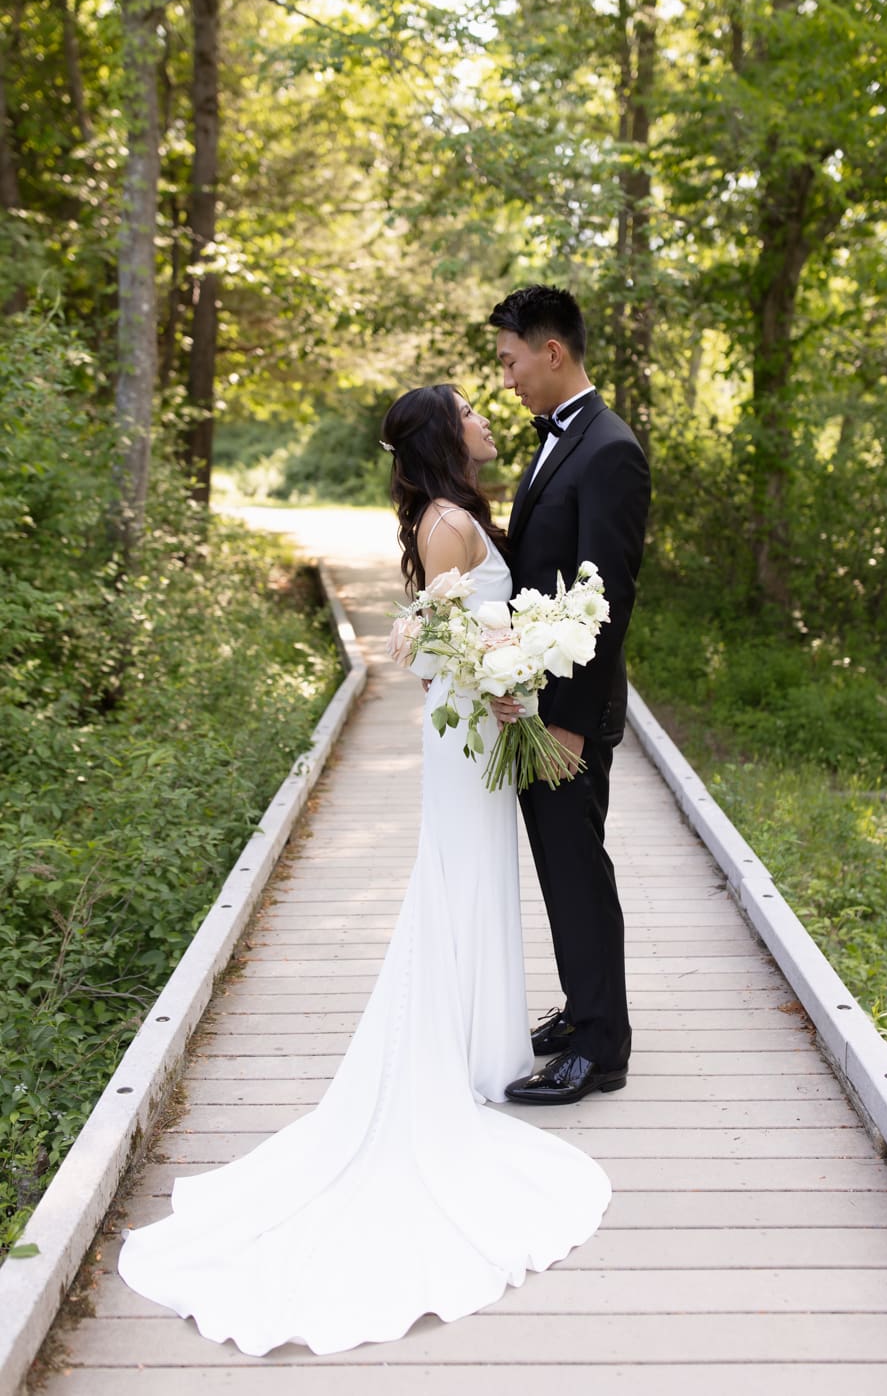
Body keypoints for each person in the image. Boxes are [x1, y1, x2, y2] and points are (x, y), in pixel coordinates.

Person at [116, 382, 610, 1358]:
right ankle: (458, 1062)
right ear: (443, 435)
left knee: (477, 886)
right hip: (469, 733)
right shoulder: (441, 521)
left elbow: (451, 632)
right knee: (458, 883)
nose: (482, 417)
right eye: (469, 410)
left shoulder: (458, 514)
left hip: (478, 726)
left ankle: (482, 1052)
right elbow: (432, 645)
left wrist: (508, 662)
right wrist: (504, 685)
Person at [488, 286, 650, 1106]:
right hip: (537, 703)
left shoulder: (610, 449)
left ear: (553, 352)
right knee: (559, 865)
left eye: (511, 361)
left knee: (578, 868)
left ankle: (603, 1046)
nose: (506, 379)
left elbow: (606, 599)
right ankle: (585, 1009)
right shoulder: (562, 441)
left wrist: (573, 726)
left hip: (570, 716)